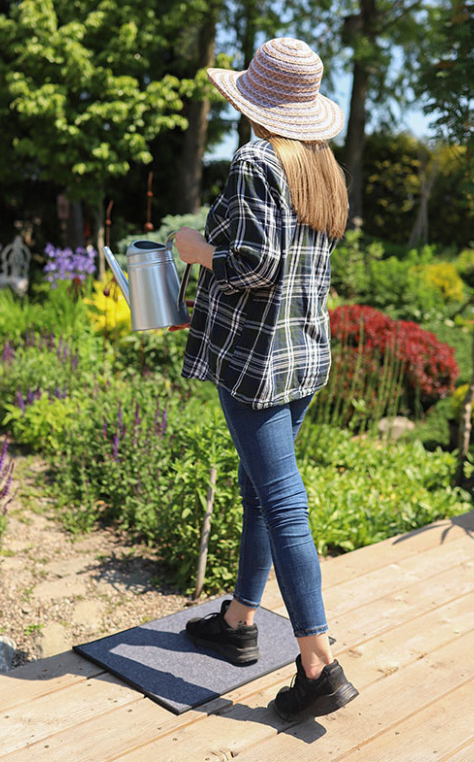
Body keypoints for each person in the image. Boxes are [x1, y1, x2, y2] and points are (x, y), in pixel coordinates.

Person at [173, 36, 359, 721]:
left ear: (254, 102)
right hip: (304, 358)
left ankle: (318, 661)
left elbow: (254, 264)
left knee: (282, 503)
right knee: (260, 493)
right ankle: (241, 621)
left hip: (255, 365)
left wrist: (195, 248)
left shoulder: (256, 159)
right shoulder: (322, 168)